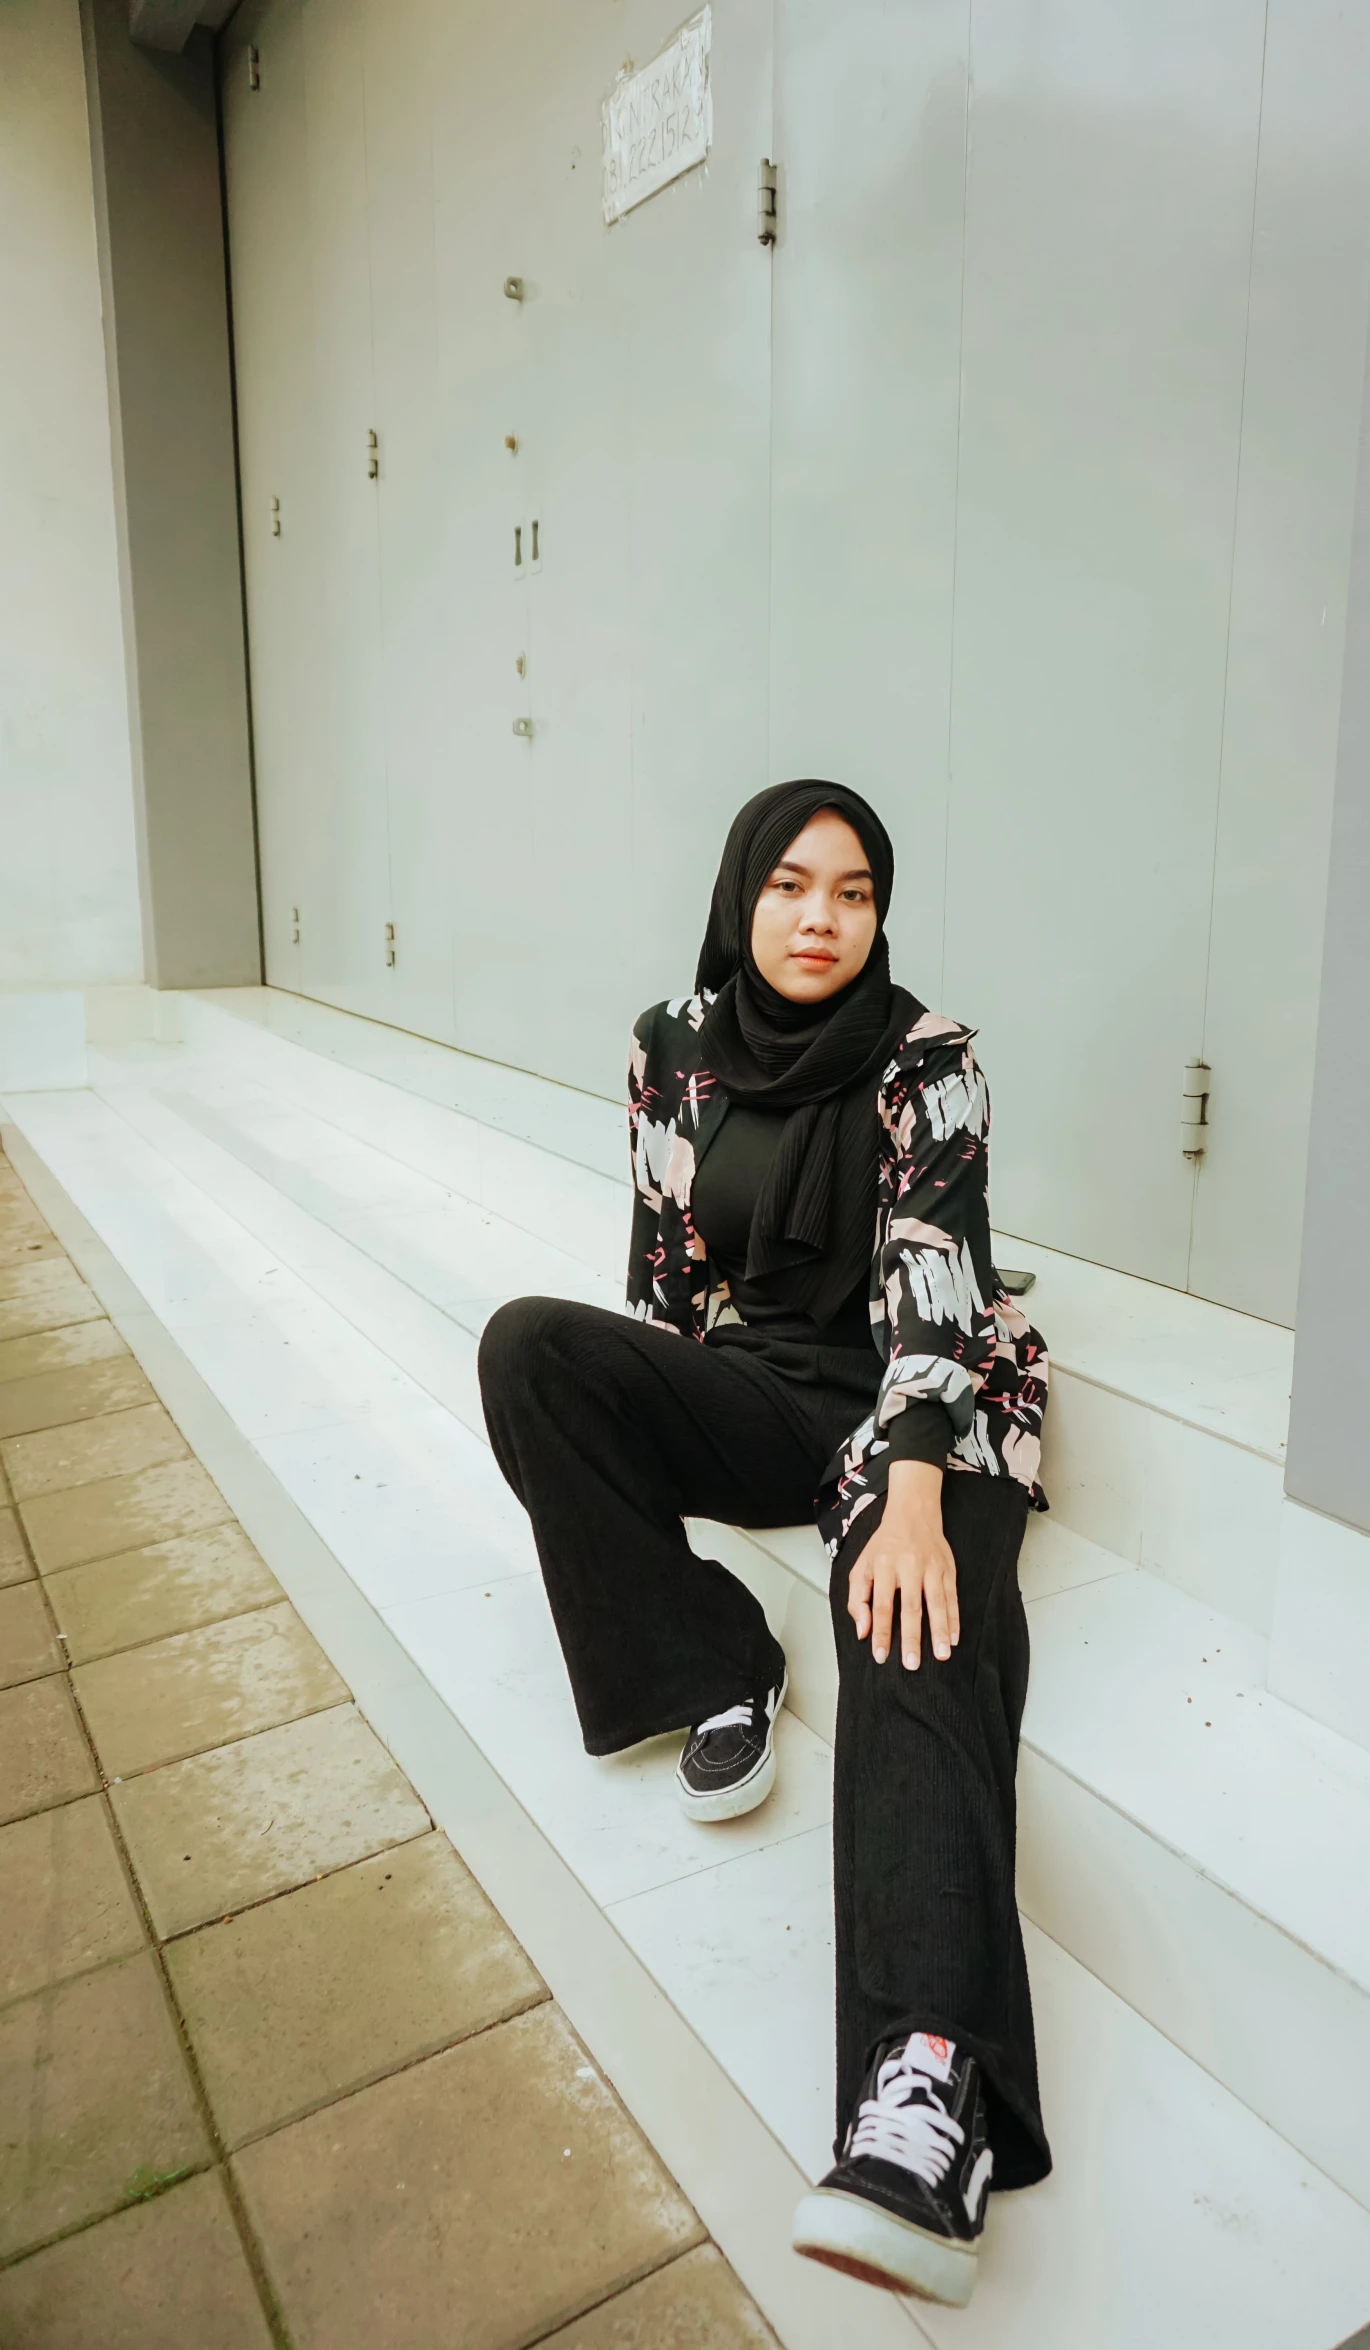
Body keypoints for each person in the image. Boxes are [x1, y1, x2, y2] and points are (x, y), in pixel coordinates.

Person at [479, 779, 1051, 2307]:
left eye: (853, 891)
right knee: (531, 1348)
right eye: (793, 885)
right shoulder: (672, 1041)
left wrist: (915, 1488)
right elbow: (664, 1261)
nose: (820, 917)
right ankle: (713, 1654)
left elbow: (937, 1272)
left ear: (878, 913)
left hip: (923, 1400)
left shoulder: (930, 1057)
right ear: (743, 894)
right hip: (771, 1378)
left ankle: (930, 2093)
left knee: (914, 1617)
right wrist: (656, 1405)